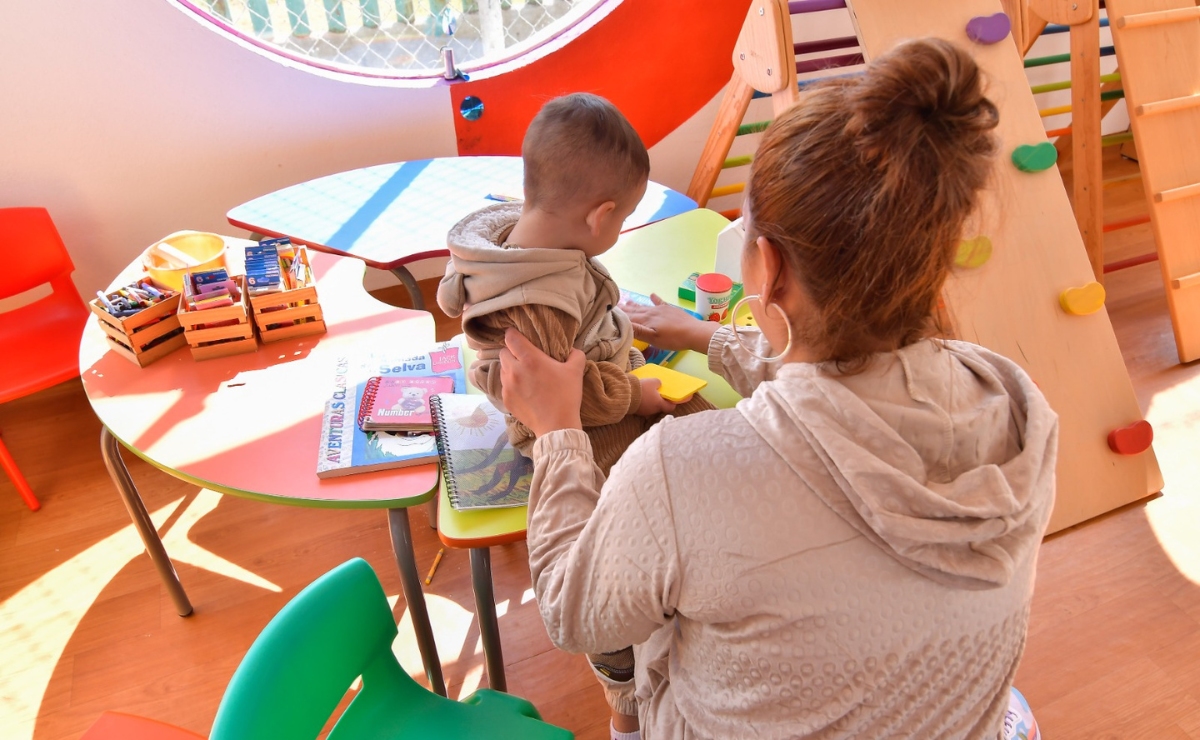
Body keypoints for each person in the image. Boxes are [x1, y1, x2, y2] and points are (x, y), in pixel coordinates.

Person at [497, 39, 1057, 740]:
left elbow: (572, 613)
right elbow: (851, 392)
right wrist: (704, 336)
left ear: (767, 267)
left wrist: (557, 435)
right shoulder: (1016, 404)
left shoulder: (678, 471)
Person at [436, 92, 711, 738]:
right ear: (600, 217)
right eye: (624, 222)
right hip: (584, 434)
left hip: (602, 376)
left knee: (697, 428)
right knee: (621, 551)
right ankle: (625, 700)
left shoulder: (518, 232)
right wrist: (634, 396)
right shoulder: (539, 311)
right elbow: (566, 399)